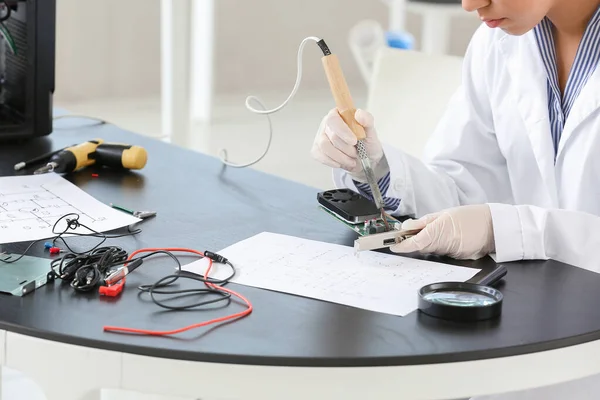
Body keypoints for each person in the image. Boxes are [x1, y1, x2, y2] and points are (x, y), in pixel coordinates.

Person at [311, 0, 600, 399]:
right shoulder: (498, 44)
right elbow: (465, 190)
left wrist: (507, 229)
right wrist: (375, 167)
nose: (469, 4)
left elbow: (496, 223)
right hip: (518, 345)